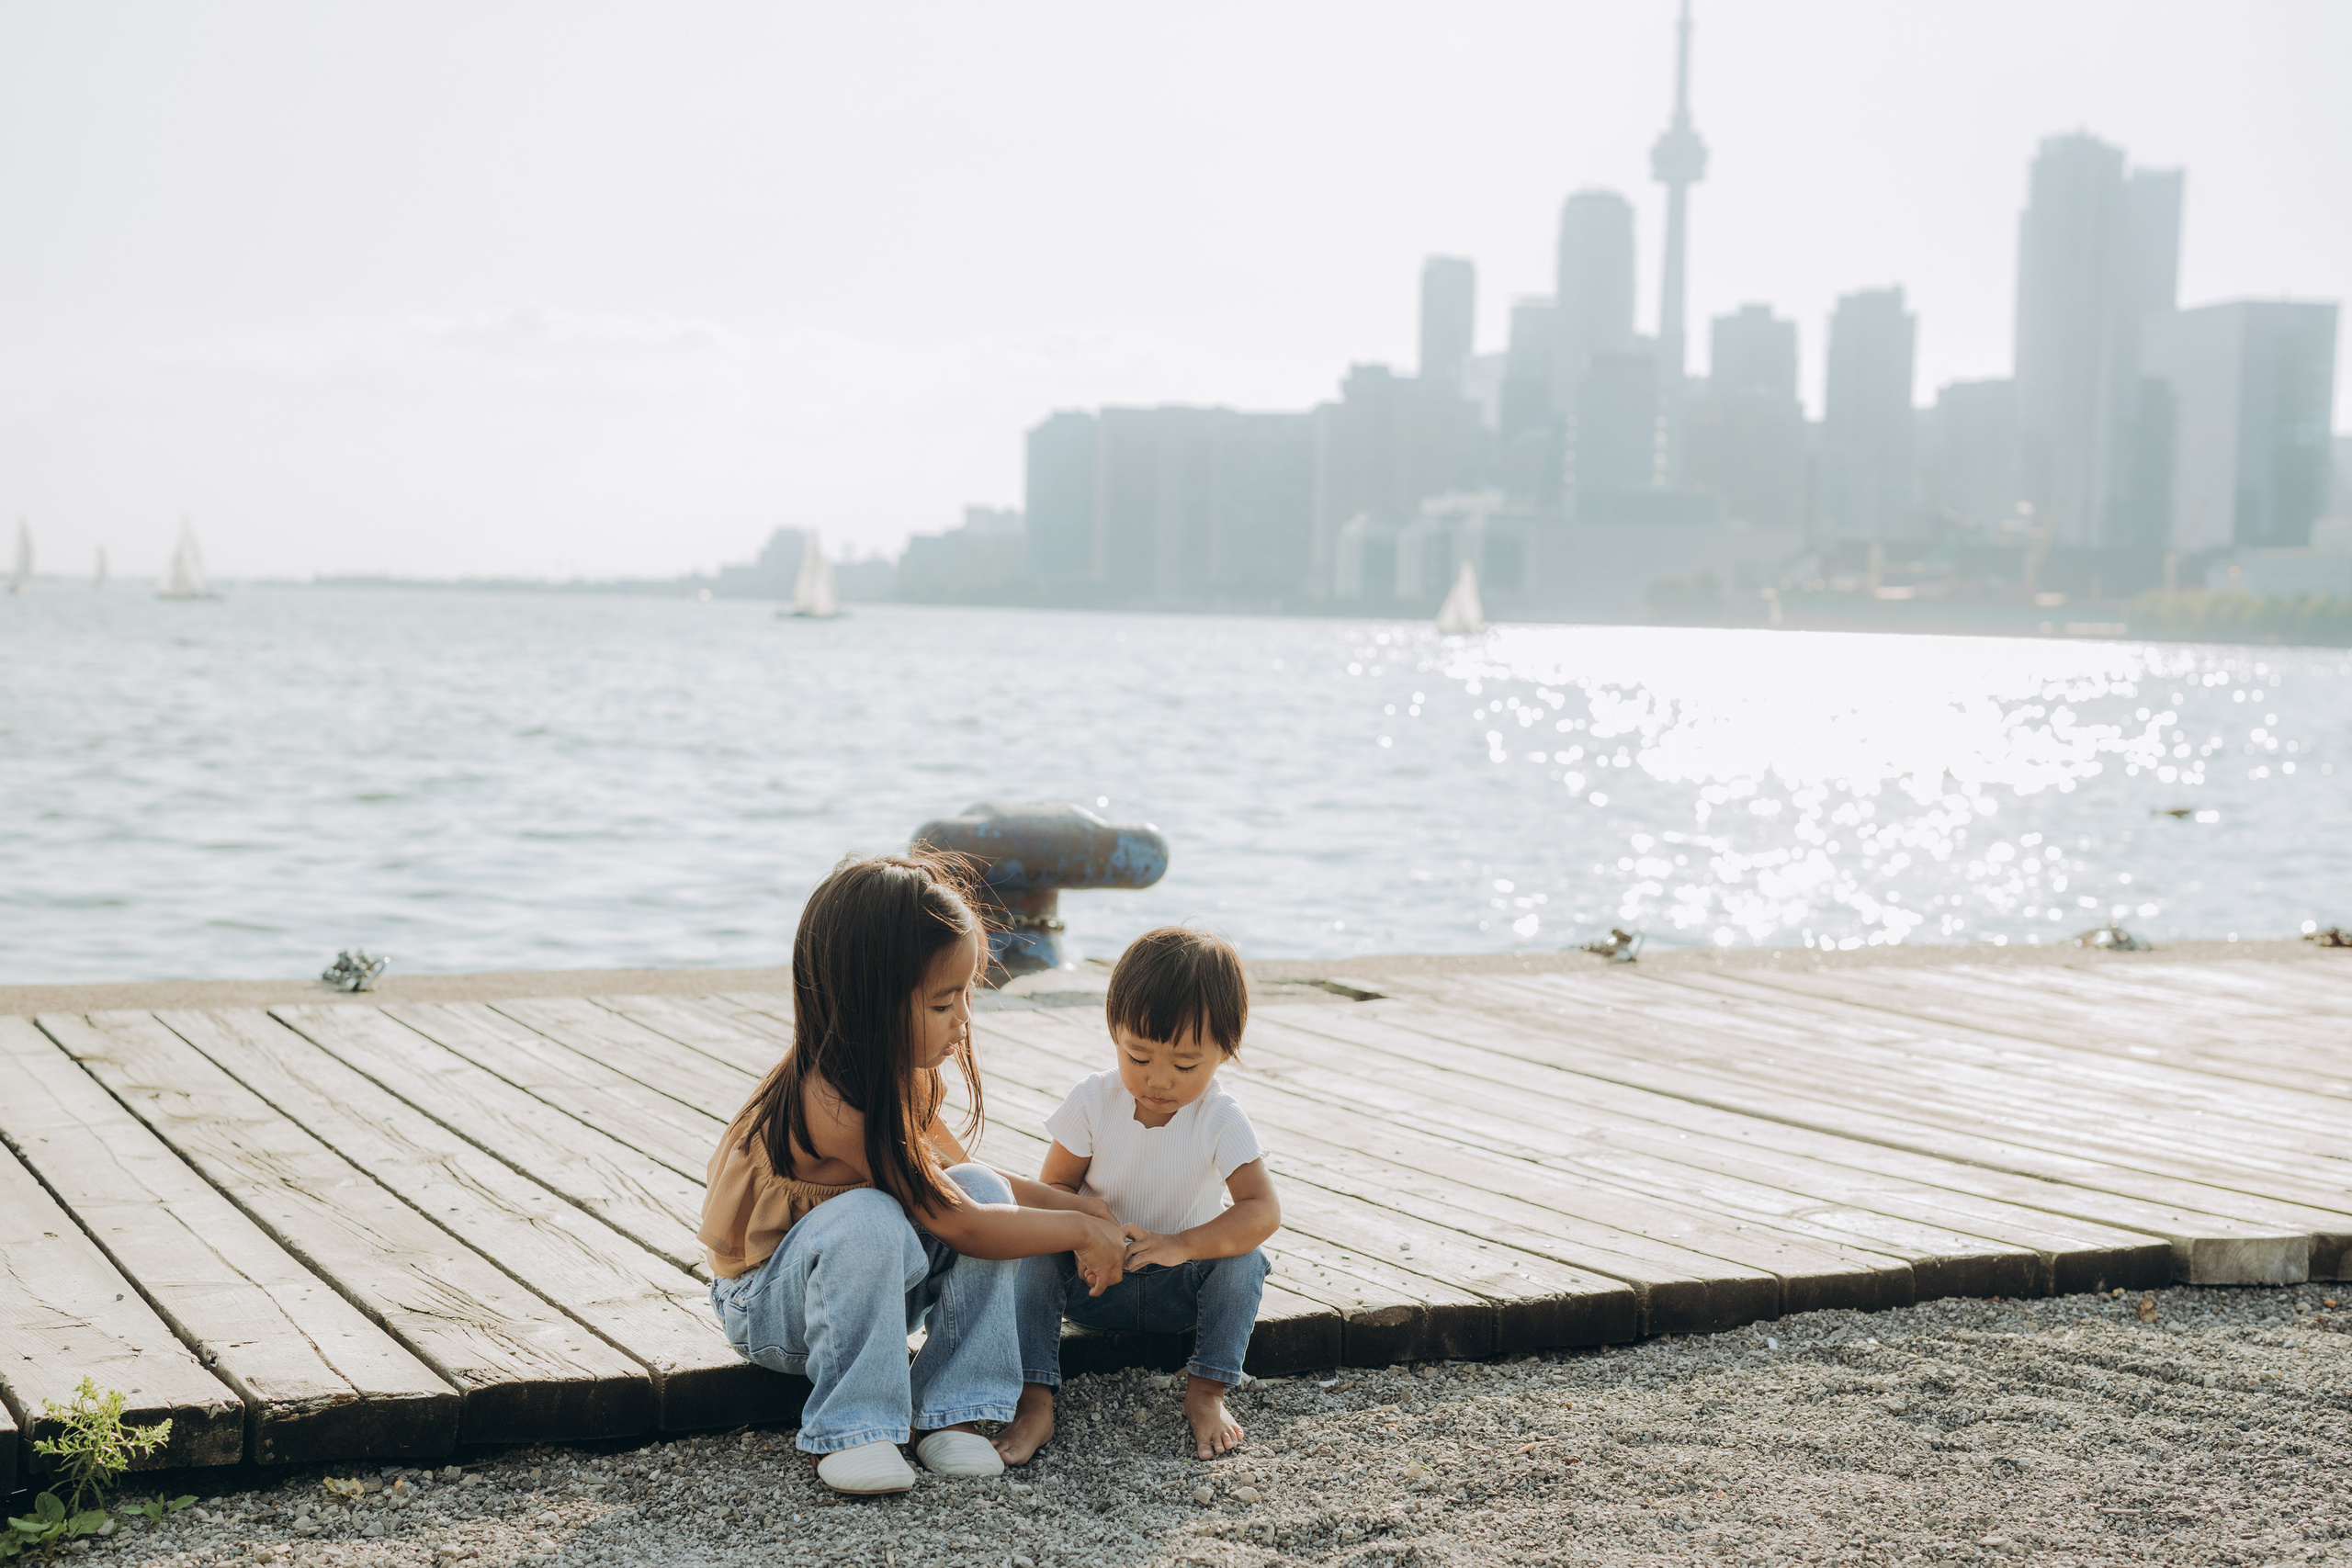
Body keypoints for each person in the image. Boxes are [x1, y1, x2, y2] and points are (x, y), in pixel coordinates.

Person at [701, 852, 1129, 1495]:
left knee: (981, 1187)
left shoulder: (900, 1071)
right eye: (942, 1002)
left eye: (966, 995)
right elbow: (965, 1227)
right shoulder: (833, 1103)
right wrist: (1078, 1231)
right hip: (771, 1311)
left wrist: (1081, 1207)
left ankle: (950, 1411)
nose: (963, 1019)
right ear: (868, 1003)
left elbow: (963, 1179)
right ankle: (853, 1428)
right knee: (870, 1215)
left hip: (866, 1299)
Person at [998, 927, 1282, 1464]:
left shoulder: (1219, 1117)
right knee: (1033, 1252)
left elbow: (1262, 1211)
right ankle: (1034, 1399)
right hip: (1092, 1281)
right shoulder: (1092, 1100)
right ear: (1115, 1033)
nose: (1159, 1080)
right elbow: (1051, 1190)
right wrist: (1082, 1236)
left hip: (1180, 1290)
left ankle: (1207, 1392)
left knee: (1246, 1261)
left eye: (1185, 1065)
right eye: (1139, 1056)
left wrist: (1182, 1245)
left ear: (1226, 1051)